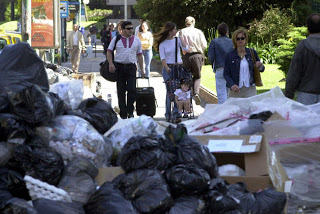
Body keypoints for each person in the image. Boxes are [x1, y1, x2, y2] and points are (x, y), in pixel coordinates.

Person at [107, 21, 145, 119]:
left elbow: (140, 55)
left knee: (132, 90)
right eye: (128, 28)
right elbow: (109, 51)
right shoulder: (116, 39)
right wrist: (111, 64)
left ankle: (130, 110)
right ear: (122, 30)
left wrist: (142, 69)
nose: (130, 30)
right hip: (119, 67)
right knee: (121, 91)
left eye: (131, 28)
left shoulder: (137, 40)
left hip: (131, 67)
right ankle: (123, 113)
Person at [154, 22, 188, 122]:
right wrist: (167, 68)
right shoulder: (163, 43)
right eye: (174, 29)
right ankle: (168, 114)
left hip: (179, 67)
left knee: (178, 91)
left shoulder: (177, 40)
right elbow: (163, 58)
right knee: (170, 91)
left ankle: (176, 114)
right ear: (169, 31)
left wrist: (181, 37)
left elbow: (185, 48)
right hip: (168, 68)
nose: (176, 31)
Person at [285, 13, 320, 105]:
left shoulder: (303, 46)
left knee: (306, 119)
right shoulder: (302, 46)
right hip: (307, 92)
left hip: (306, 95)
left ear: (308, 28)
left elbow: (294, 72)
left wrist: (288, 94)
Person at [224, 28, 265, 98]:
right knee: (235, 109)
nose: (240, 40)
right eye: (238, 39)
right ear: (235, 40)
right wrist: (232, 85)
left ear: (245, 40)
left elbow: (262, 69)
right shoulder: (230, 55)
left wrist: (260, 66)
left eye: (242, 38)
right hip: (235, 90)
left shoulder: (252, 53)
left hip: (250, 89)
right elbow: (226, 73)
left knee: (251, 108)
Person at [180, 16, 207, 105]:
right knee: (197, 76)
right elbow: (204, 45)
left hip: (186, 56)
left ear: (185, 23)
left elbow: (177, 43)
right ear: (194, 22)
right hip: (197, 56)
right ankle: (196, 93)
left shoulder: (181, 31)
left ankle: (187, 98)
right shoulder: (198, 32)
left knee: (187, 77)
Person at [208, 22, 233, 104]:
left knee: (221, 92)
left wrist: (213, 66)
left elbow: (211, 57)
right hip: (231, 68)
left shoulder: (214, 42)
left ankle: (223, 112)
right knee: (230, 91)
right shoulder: (232, 42)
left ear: (218, 32)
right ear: (227, 31)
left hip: (220, 68)